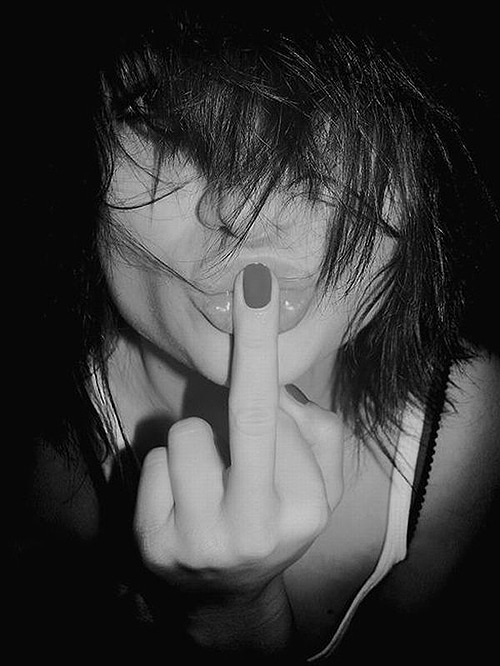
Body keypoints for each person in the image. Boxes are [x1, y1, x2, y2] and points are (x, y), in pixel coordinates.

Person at [10, 6, 499, 663]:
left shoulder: (466, 425)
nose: (248, 214)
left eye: (335, 115)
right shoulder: (34, 437)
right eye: (159, 112)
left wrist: (233, 620)